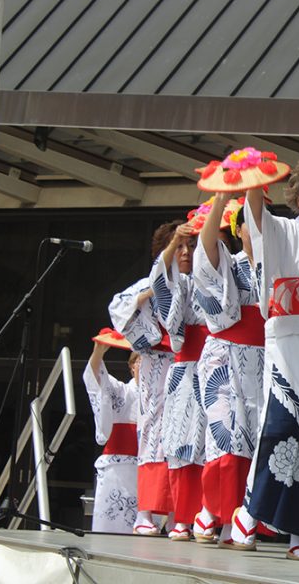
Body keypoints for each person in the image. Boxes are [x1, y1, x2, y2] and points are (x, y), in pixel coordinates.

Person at [224, 151, 299, 559]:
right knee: (277, 429)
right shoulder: (283, 231)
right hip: (289, 344)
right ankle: (248, 513)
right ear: (297, 195)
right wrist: (254, 181)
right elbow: (255, 216)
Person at [192, 195, 266, 546]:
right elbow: (206, 258)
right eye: (250, 222)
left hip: (268, 357)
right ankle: (212, 509)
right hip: (227, 356)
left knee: (260, 436)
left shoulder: (278, 261)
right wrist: (221, 198)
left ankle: (246, 514)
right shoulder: (229, 264)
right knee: (227, 433)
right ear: (238, 230)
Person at [109, 222, 179, 534]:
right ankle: (145, 513)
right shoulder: (148, 283)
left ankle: (181, 514)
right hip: (155, 362)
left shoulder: (196, 280)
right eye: (177, 247)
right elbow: (118, 307)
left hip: (187, 362)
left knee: (187, 436)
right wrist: (152, 290)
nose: (183, 253)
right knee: (154, 432)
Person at [151, 221, 207, 541]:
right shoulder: (172, 282)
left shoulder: (212, 279)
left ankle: (212, 516)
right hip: (186, 370)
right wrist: (174, 241)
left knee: (215, 444)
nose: (186, 253)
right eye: (180, 248)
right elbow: (160, 279)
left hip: (217, 367)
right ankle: (183, 518)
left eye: (192, 246)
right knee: (184, 443)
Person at [83, 339, 140, 533]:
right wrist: (98, 352)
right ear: (132, 366)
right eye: (139, 361)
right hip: (118, 471)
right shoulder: (121, 392)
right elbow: (96, 378)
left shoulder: (163, 397)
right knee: (110, 530)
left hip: (149, 471)